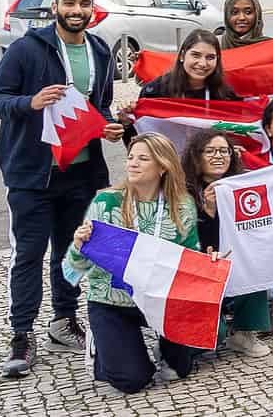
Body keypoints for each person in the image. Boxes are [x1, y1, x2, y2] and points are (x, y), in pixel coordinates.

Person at [0, 0, 125, 378]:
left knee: (72, 252)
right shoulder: (28, 49)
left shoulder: (98, 49)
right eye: (69, 3)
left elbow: (100, 108)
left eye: (83, 3)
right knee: (28, 254)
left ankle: (64, 321)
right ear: (56, 7)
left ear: (91, 8)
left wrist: (109, 127)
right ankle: (21, 333)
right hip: (32, 174)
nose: (76, 9)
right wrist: (30, 102)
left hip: (81, 173)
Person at [63, 133, 220, 393]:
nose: (132, 164)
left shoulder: (181, 205)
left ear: (162, 166)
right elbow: (74, 268)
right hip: (112, 300)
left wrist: (209, 261)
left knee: (178, 370)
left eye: (143, 159)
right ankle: (104, 345)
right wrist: (79, 247)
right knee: (132, 380)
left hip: (159, 297)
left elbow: (190, 256)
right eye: (131, 157)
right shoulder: (107, 202)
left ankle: (162, 347)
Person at [181, 132, 271, 358]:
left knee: (254, 266)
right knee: (213, 336)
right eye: (210, 151)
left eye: (224, 151)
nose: (218, 156)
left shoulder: (241, 185)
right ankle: (176, 346)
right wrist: (208, 213)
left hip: (232, 263)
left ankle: (244, 331)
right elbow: (183, 238)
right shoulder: (182, 190)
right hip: (197, 270)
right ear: (196, 156)